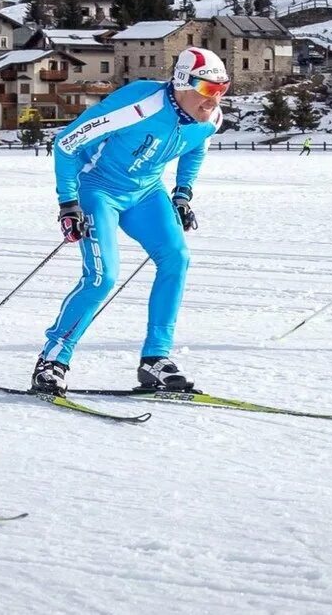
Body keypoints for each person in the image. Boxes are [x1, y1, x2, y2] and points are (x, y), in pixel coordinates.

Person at [32, 47, 227, 395]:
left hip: (147, 194)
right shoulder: (140, 103)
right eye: (208, 90)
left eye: (222, 89)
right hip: (98, 191)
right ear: (182, 83)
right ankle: (53, 359)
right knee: (103, 278)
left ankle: (156, 359)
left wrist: (182, 194)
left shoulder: (208, 119)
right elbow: (66, 144)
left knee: (176, 258)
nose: (214, 100)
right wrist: (68, 203)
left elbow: (197, 146)